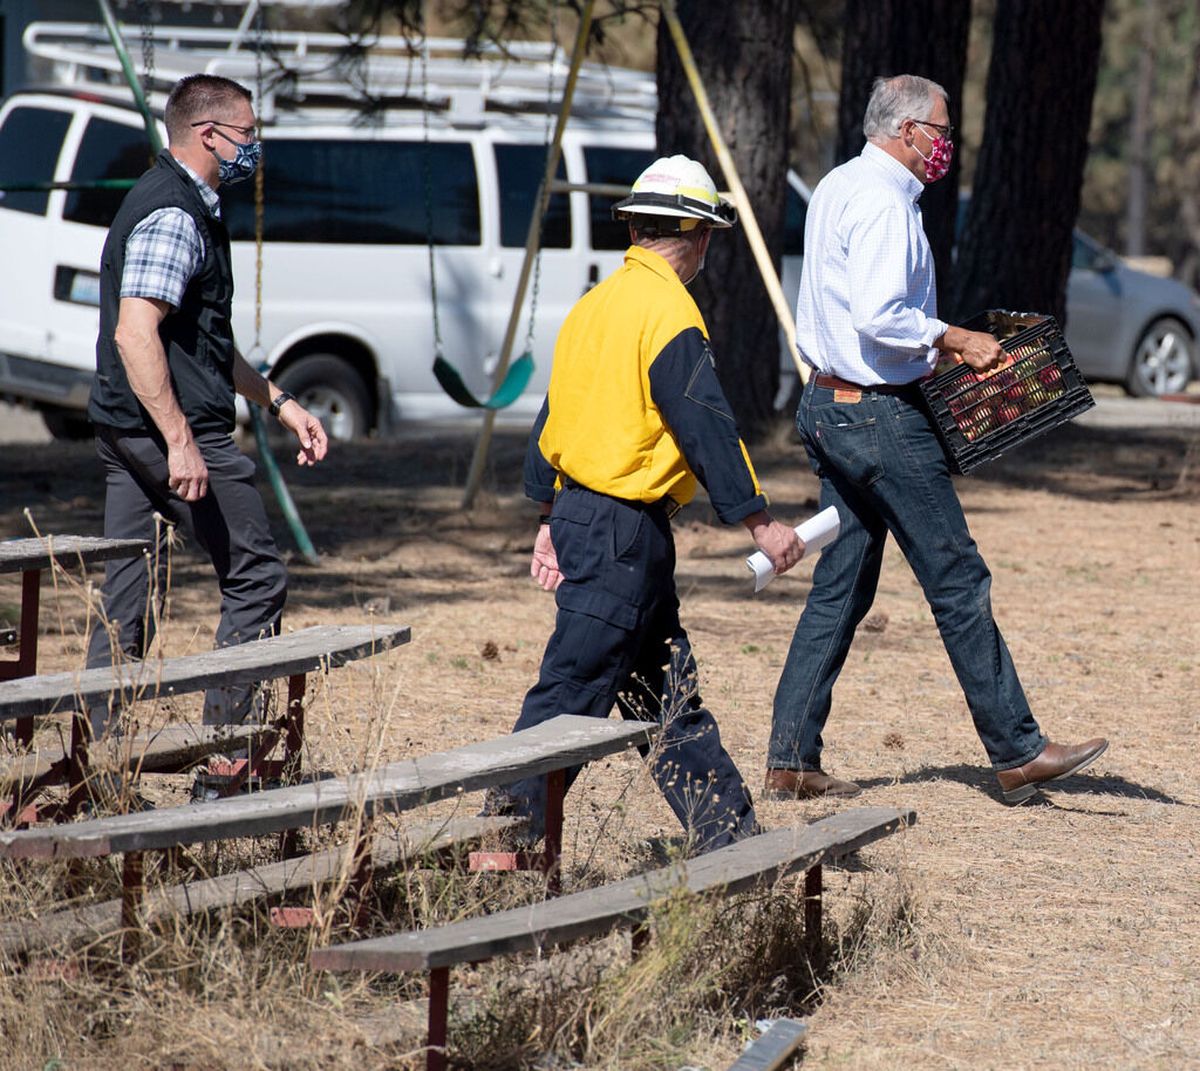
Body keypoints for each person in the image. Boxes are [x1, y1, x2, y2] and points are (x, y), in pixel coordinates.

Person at [765, 75, 1108, 805]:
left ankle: (791, 759)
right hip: (879, 416)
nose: (947, 144)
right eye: (941, 130)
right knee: (957, 578)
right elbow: (882, 315)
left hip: (829, 403)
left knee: (841, 588)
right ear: (905, 130)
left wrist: (934, 347)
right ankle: (1017, 751)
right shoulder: (886, 202)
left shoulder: (837, 184)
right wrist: (953, 338)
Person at [486, 155, 803, 854]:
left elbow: (553, 418)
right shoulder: (669, 310)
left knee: (667, 698)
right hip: (620, 530)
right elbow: (706, 424)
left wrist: (546, 517)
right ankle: (506, 837)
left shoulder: (593, 306)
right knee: (572, 687)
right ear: (699, 236)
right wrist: (759, 519)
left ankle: (729, 840)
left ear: (634, 225)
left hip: (588, 519)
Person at [85, 73, 328, 741]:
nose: (255, 148)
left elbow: (201, 342)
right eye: (248, 135)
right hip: (165, 432)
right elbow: (135, 332)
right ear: (208, 134)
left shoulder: (178, 202)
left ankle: (102, 758)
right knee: (257, 575)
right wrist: (180, 440)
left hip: (124, 430)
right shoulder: (174, 213)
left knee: (125, 599)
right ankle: (225, 760)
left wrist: (278, 401)